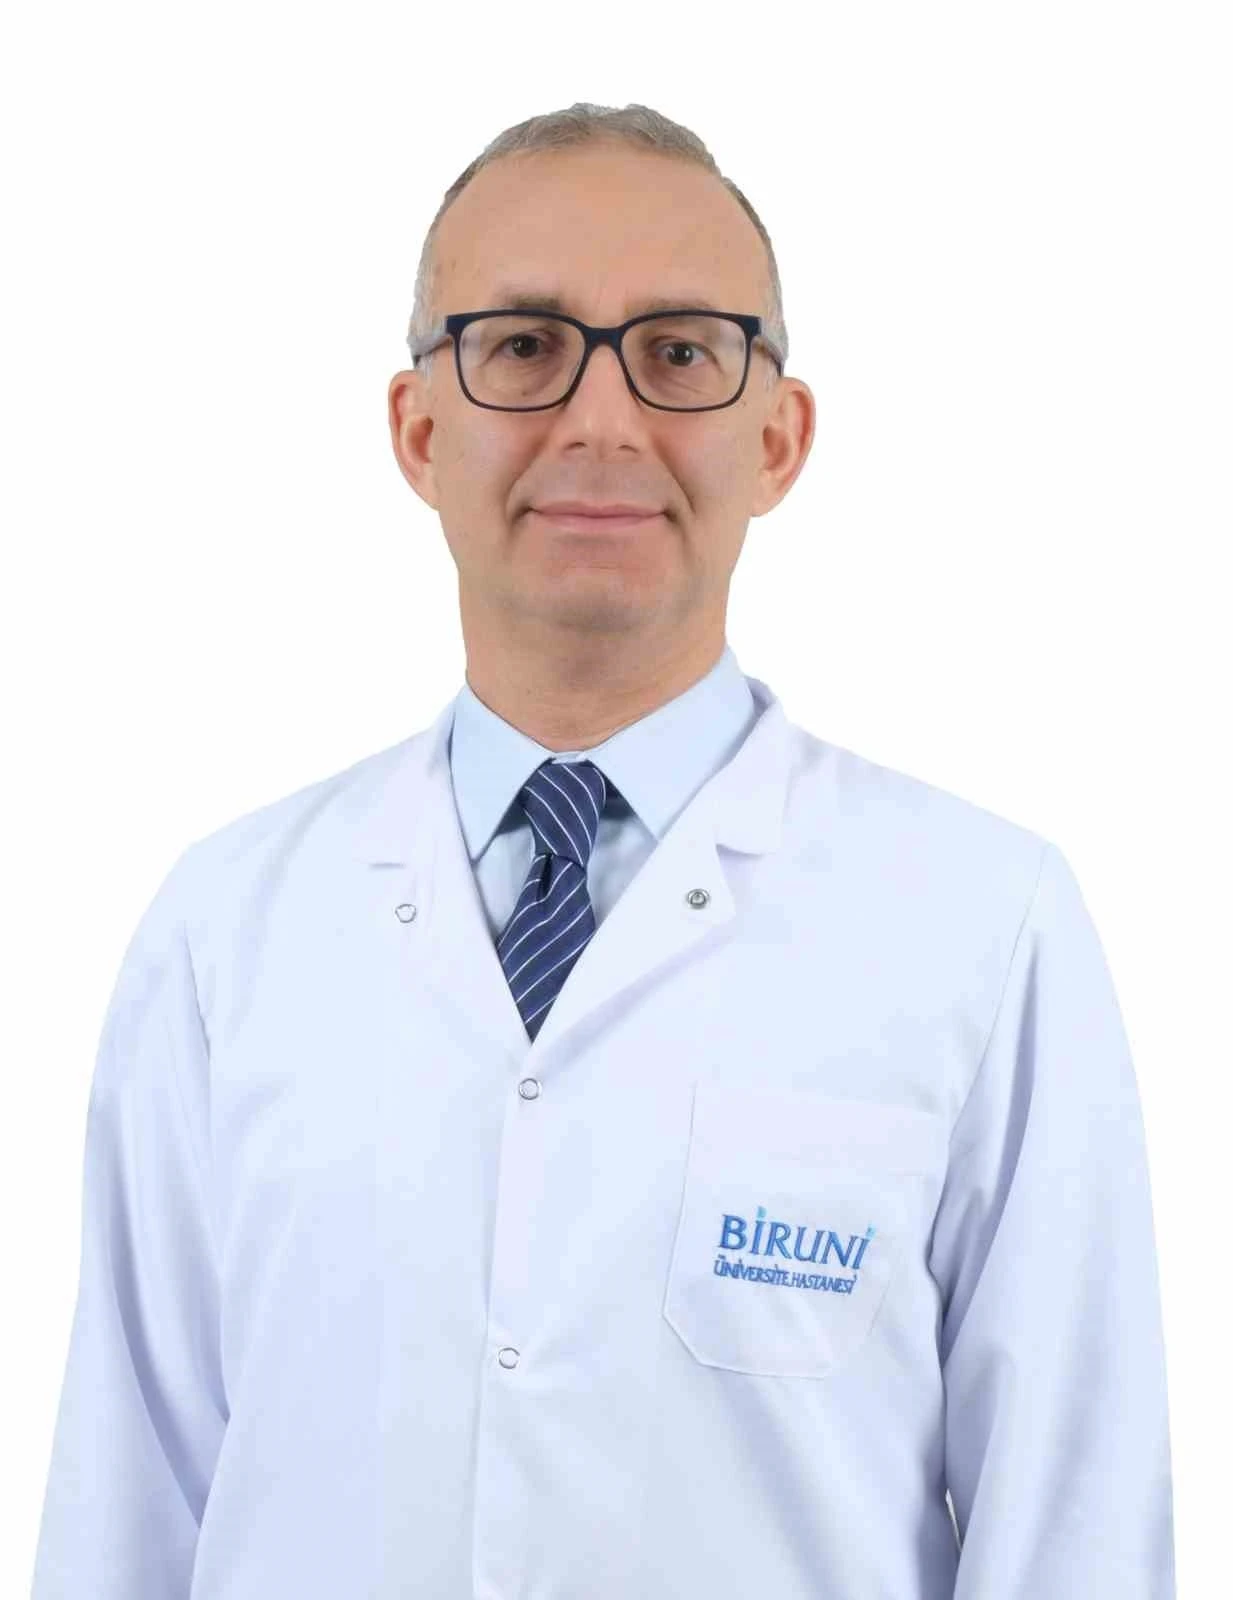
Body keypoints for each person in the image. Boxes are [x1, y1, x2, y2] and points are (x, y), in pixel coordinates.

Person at [31, 101, 1175, 1599]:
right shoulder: (228, 926)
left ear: (780, 437)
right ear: (418, 429)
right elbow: (125, 1508)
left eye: (680, 352)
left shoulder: (981, 922)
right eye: (523, 345)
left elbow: (1076, 1526)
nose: (601, 420)